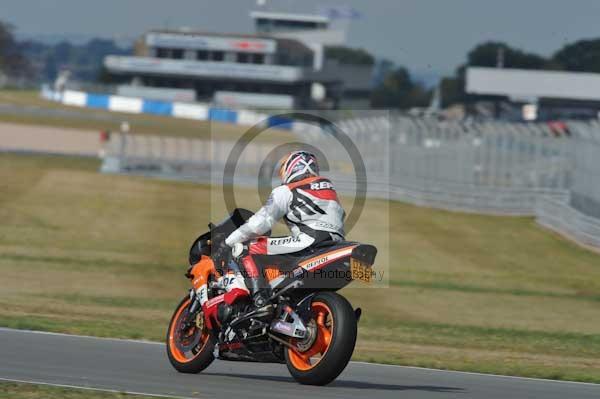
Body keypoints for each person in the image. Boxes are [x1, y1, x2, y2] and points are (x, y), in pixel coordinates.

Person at [216, 151, 346, 307]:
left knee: (244, 247)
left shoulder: (286, 190)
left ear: (292, 167)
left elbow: (259, 223)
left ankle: (259, 300)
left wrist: (228, 241)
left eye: (282, 169)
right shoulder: (329, 189)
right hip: (336, 243)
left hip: (309, 242)